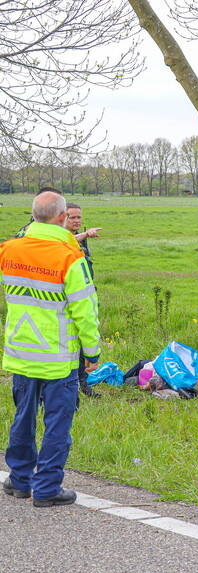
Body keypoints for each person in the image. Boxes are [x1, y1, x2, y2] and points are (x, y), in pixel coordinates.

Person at [1, 191, 101, 507]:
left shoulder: (9, 249)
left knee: (23, 416)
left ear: (33, 215)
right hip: (59, 357)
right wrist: (93, 352)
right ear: (62, 218)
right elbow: (85, 310)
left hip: (21, 352)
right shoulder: (70, 257)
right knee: (58, 422)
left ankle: (19, 480)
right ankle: (45, 488)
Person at [63, 202, 102, 397]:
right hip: (69, 303)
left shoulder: (79, 239)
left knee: (81, 344)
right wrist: (85, 235)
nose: (77, 221)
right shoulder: (61, 240)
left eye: (79, 217)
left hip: (85, 295)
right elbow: (68, 242)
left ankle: (83, 384)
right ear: (62, 217)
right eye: (72, 217)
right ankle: (75, 385)